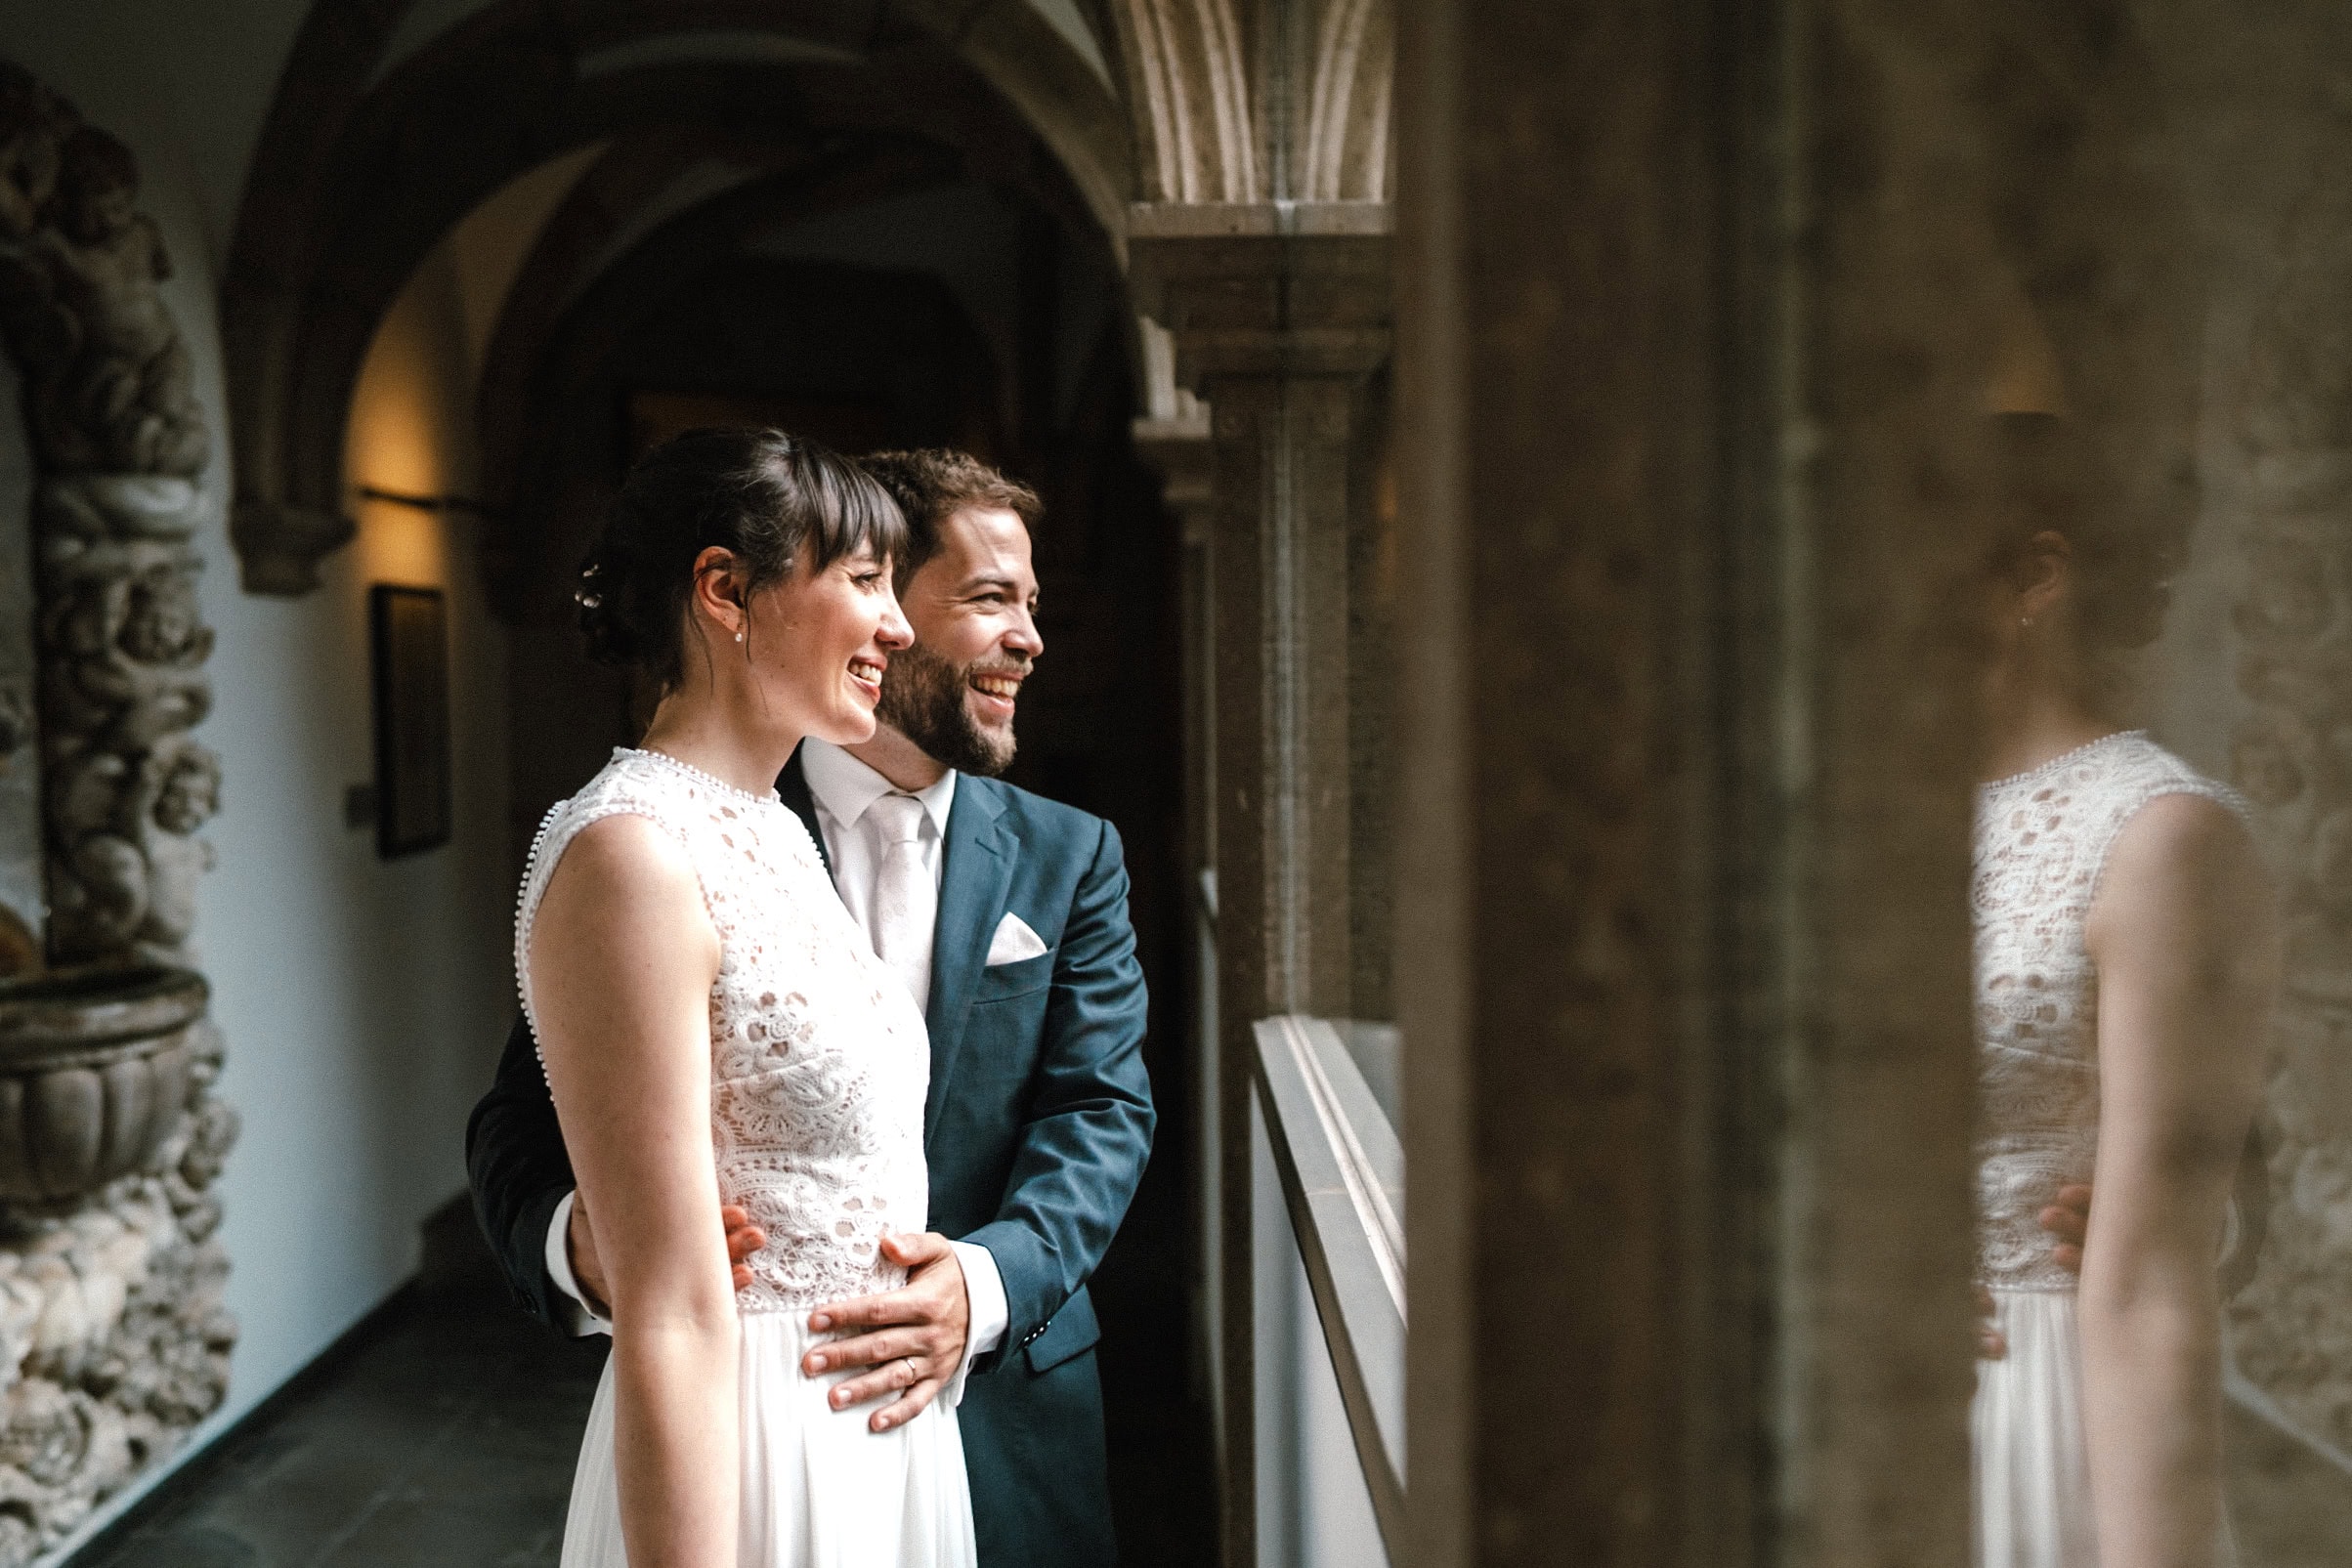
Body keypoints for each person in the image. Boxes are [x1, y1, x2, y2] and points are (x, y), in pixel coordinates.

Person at [471, 445, 1154, 1567]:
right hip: (764, 1433)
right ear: (728, 593)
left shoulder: (805, 835)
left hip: (971, 1426)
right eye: (983, 598)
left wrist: (982, 1287)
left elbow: (1102, 1108)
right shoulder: (652, 847)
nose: (1029, 638)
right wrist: (583, 1249)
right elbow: (539, 1113)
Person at [1970, 411, 2277, 1567]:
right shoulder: (1839, 826)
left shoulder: (2157, 837)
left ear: (2035, 578)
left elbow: (2150, 1283)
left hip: (2026, 1418)